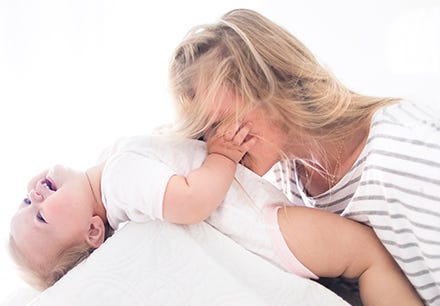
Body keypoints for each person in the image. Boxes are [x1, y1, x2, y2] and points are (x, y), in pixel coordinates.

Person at [168, 8, 440, 305]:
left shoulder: (406, 159)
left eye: (218, 123)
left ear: (269, 85)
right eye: (202, 135)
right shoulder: (292, 177)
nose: (214, 147)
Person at [9, 123, 420, 306]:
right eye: (41, 217)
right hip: (264, 228)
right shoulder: (118, 181)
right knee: (365, 253)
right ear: (94, 230)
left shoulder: (109, 163)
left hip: (259, 214)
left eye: (27, 203)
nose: (34, 198)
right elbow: (190, 202)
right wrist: (222, 154)